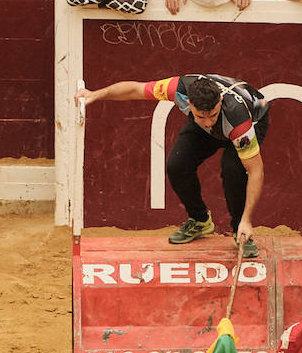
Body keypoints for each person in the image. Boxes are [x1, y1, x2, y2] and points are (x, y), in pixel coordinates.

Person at [76, 73, 268, 257]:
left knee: (233, 170)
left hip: (251, 119)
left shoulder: (238, 120)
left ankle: (240, 232)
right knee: (177, 164)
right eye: (201, 116)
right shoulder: (177, 89)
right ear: (189, 102)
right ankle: (200, 220)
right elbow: (135, 89)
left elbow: (255, 171)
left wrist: (247, 220)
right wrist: (96, 94)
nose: (208, 122)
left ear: (219, 102)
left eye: (212, 115)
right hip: (220, 121)